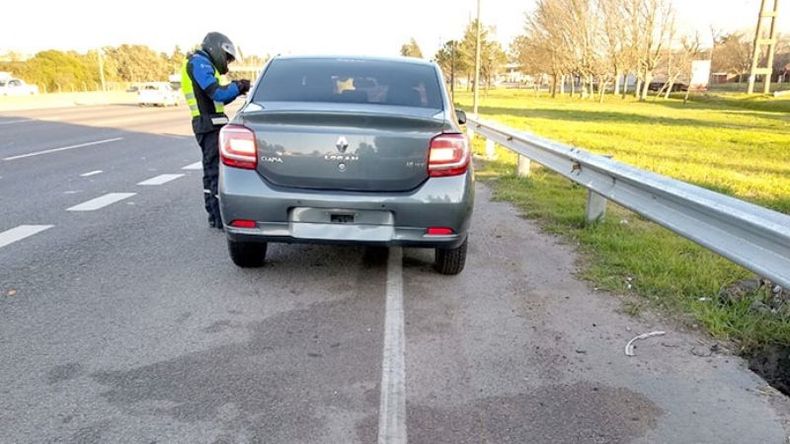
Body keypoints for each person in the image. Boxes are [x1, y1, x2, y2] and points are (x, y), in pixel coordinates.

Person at [181, 32, 251, 229]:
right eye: (227, 57)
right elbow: (218, 94)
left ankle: (214, 214)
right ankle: (218, 216)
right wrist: (238, 86)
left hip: (210, 124)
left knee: (212, 171)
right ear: (217, 48)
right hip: (208, 125)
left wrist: (238, 89)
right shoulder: (199, 63)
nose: (227, 63)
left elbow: (218, 98)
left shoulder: (202, 63)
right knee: (215, 172)